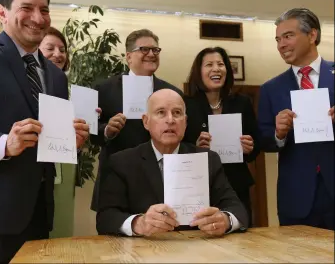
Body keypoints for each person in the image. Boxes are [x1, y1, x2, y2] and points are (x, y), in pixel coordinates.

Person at [0, 0, 89, 263]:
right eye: (26, 8)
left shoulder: (55, 75)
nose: (37, 17)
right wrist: (4, 143)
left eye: (44, 10)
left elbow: (49, 139)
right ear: (2, 12)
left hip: (40, 213)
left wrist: (72, 141)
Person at [96, 89, 248, 236]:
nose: (170, 120)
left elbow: (238, 210)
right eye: (161, 113)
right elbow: (105, 218)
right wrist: (138, 223)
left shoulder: (208, 159)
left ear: (185, 122)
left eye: (177, 113)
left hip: (198, 248)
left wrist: (225, 221)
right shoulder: (122, 162)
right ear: (146, 121)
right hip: (143, 251)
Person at [258, 8, 334, 230]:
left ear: (312, 35)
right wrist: (278, 133)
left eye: (288, 36)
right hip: (296, 197)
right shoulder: (271, 89)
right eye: (278, 39)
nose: (281, 45)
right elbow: (264, 140)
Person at [90, 29, 182, 211]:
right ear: (129, 57)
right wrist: (107, 130)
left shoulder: (172, 93)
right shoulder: (104, 89)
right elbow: (92, 135)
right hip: (116, 180)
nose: (151, 54)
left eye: (155, 50)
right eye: (144, 49)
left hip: (159, 180)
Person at [183, 47, 259, 226]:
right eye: (209, 65)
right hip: (199, 186)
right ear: (198, 72)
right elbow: (177, 147)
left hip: (236, 185)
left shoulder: (242, 102)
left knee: (240, 236)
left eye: (220, 64)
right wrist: (195, 147)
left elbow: (255, 147)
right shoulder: (187, 105)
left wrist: (250, 147)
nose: (216, 69)